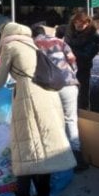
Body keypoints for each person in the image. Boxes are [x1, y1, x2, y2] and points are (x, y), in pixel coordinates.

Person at [0, 22, 75, 196]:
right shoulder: (31, 44)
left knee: (26, 152)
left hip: (29, 99)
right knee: (44, 151)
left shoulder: (11, 46)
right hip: (49, 97)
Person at [31, 24, 88, 172]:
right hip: (69, 84)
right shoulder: (60, 41)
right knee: (70, 119)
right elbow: (73, 61)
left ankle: (59, 158)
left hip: (49, 87)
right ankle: (77, 157)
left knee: (54, 120)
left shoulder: (33, 45)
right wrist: (70, 75)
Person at [64, 10, 99, 110]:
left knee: (82, 95)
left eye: (81, 22)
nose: (78, 24)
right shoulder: (69, 33)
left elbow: (87, 55)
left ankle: (84, 114)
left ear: (88, 23)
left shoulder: (93, 36)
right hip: (67, 69)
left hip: (83, 68)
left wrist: (70, 52)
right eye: (76, 22)